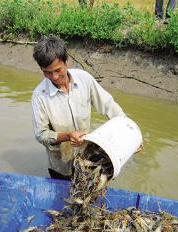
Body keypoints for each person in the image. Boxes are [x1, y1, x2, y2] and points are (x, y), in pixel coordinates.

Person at [31, 35, 125, 180]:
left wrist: (127, 130)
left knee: (88, 189)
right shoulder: (39, 96)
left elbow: (108, 105)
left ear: (66, 61)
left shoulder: (84, 79)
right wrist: (67, 135)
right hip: (60, 165)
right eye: (47, 72)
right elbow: (41, 134)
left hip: (87, 158)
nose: (54, 77)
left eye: (57, 70)